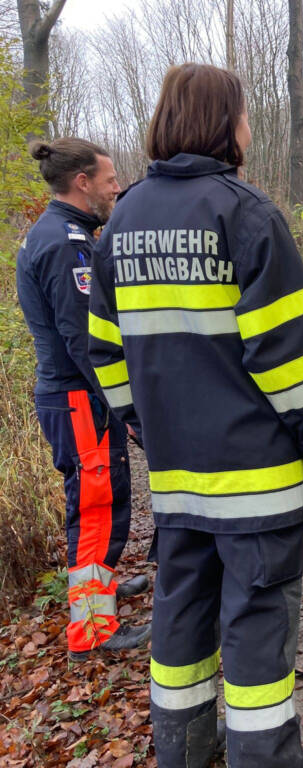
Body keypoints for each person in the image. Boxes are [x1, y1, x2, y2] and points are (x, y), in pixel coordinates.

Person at [88, 63, 303, 768]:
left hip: (176, 478)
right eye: (244, 114)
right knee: (257, 621)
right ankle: (266, 760)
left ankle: (186, 747)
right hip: (255, 481)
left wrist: (145, 424)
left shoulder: (123, 220)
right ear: (222, 122)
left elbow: (103, 349)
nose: (249, 128)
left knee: (182, 614)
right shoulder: (245, 215)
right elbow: (293, 360)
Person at [16, 138, 150, 661]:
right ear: (82, 182)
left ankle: (105, 590)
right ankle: (91, 628)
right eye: (110, 178)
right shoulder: (64, 243)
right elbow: (84, 341)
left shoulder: (60, 233)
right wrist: (125, 406)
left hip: (75, 397)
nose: (117, 186)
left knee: (106, 499)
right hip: (76, 399)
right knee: (94, 508)